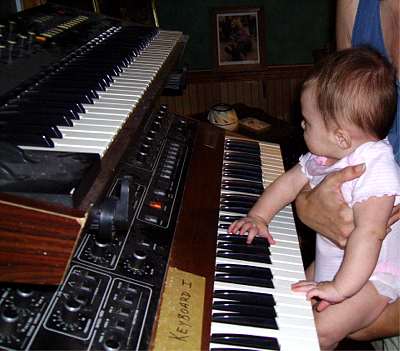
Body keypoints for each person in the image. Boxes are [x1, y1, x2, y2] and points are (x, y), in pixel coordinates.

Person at [228, 47, 399, 350]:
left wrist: (338, 288)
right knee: (286, 295)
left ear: (341, 137)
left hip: (374, 277)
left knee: (321, 331)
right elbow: (288, 183)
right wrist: (258, 216)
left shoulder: (376, 168)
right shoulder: (324, 156)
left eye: (307, 123)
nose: (301, 127)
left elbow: (370, 233)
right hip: (333, 263)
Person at [294, 0, 400, 341]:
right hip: (353, 261)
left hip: (384, 279)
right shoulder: (355, 4)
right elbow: (338, 134)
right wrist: (307, 206)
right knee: (287, 306)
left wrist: (372, 320)